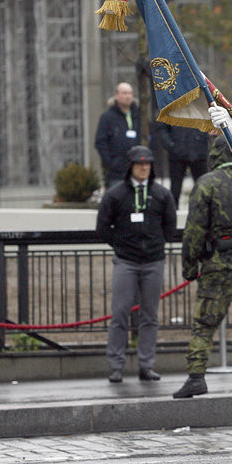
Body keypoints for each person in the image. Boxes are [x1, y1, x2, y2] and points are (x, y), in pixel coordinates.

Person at [173, 137, 232, 398]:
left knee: (205, 324)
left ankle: (196, 377)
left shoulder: (206, 184)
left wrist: (190, 266)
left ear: (215, 155)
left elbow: (194, 230)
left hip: (218, 265)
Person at [96, 145, 177, 383]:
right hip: (126, 261)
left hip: (153, 261)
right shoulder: (115, 195)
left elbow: (170, 226)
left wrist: (156, 244)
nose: (144, 167)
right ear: (130, 166)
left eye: (148, 163)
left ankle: (146, 365)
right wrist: (121, 245)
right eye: (140, 163)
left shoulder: (162, 195)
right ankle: (116, 365)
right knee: (120, 313)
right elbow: (103, 227)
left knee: (149, 315)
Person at [95, 82, 142, 188]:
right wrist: (111, 163)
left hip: (137, 169)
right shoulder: (107, 117)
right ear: (117, 96)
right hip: (116, 173)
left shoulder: (138, 115)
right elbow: (100, 142)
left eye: (130, 93)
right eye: (124, 93)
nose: (128, 96)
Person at [157, 122, 209, 209]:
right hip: (177, 153)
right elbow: (162, 128)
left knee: (203, 185)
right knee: (175, 187)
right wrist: (170, 144)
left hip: (199, 152)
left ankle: (205, 209)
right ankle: (173, 211)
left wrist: (204, 138)